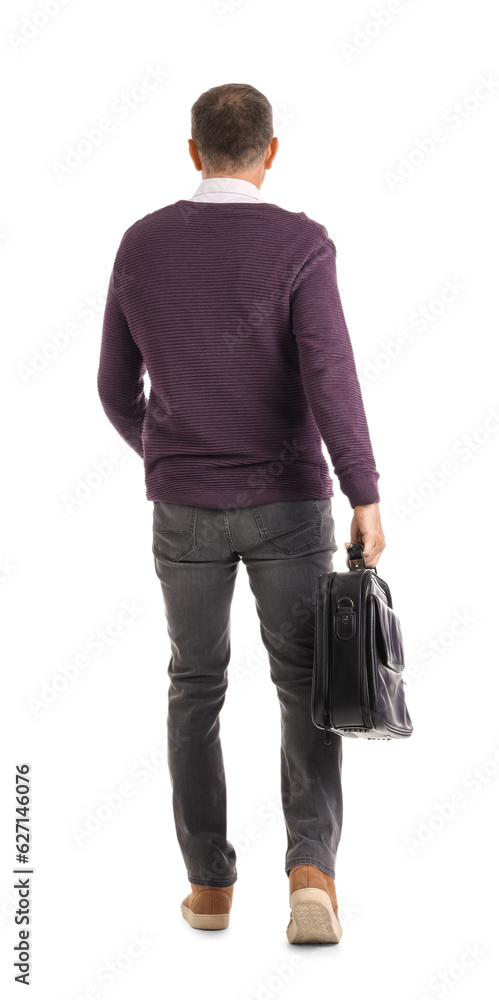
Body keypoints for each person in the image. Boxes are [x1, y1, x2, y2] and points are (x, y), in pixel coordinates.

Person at [97, 82, 385, 944]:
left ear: (192, 151)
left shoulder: (142, 244)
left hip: (182, 508)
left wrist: (168, 452)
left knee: (194, 686)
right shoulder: (299, 244)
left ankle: (209, 888)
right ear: (269, 152)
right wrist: (363, 491)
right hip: (290, 503)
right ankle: (310, 878)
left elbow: (115, 388)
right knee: (304, 687)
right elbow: (329, 376)